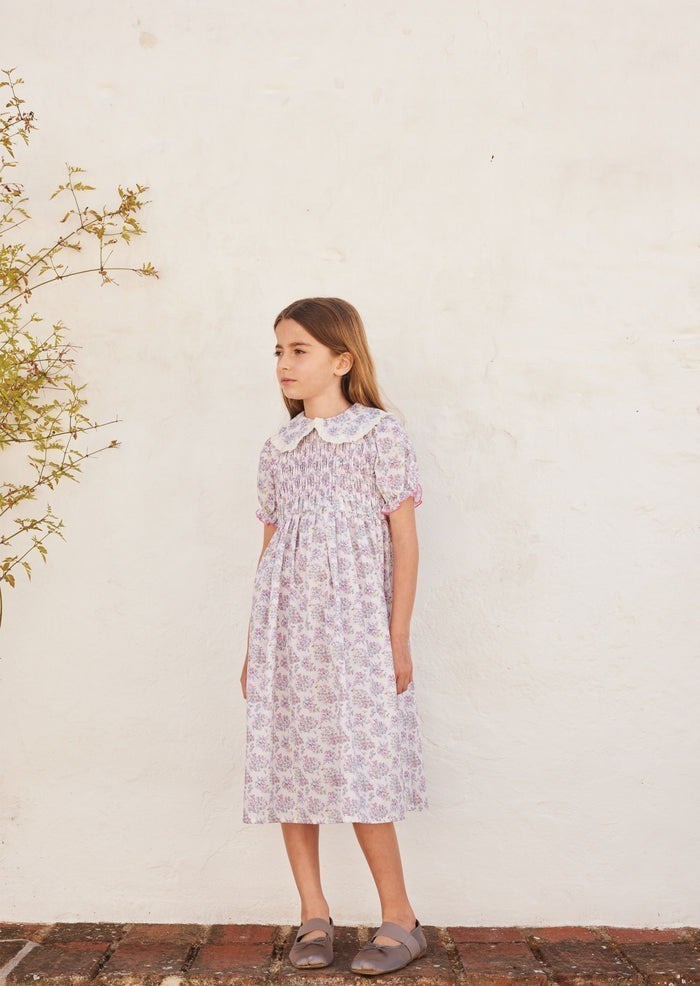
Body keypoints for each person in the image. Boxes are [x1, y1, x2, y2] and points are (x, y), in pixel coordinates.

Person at [241, 297, 429, 975]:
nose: (284, 364)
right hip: (287, 632)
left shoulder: (380, 436)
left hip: (356, 634)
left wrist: (397, 637)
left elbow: (404, 543)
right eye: (279, 351)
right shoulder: (279, 450)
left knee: (363, 769)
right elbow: (269, 550)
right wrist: (253, 647)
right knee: (292, 765)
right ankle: (313, 914)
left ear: (342, 360)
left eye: (300, 350)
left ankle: (400, 917)